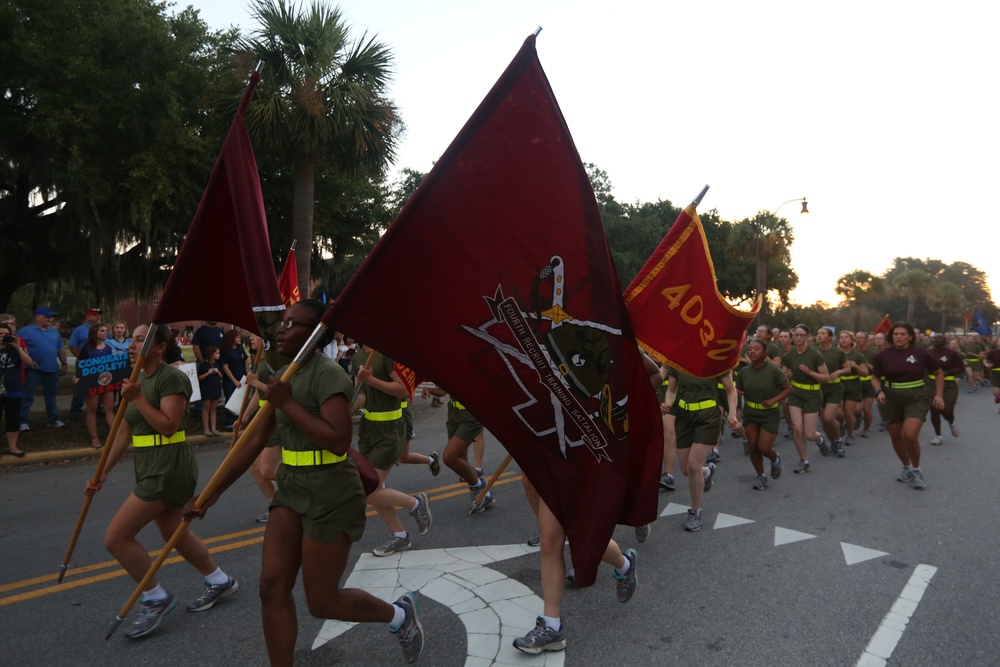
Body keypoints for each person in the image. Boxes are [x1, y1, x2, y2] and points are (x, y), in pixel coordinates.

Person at [184, 300, 425, 665]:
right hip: (293, 485)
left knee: (322, 601)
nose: (281, 328)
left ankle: (400, 615)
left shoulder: (327, 374)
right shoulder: (282, 374)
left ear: (315, 336)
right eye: (283, 321)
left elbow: (338, 439)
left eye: (293, 324)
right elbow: (253, 441)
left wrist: (287, 402)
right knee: (271, 587)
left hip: (332, 489)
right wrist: (209, 495)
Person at [84, 324, 239, 639]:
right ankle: (219, 579)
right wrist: (101, 473)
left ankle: (155, 598)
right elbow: (125, 432)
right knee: (173, 530)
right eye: (132, 339)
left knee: (116, 538)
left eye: (140, 340)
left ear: (160, 347)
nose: (131, 345)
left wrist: (138, 398)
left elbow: (168, 426)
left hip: (169, 465)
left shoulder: (172, 377)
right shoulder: (138, 379)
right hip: (148, 464)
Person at [512, 475, 637, 655]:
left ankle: (625, 565)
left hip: (581, 463)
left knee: (586, 539)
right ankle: (551, 627)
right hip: (553, 464)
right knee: (549, 541)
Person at [353, 345, 433, 556]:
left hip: (390, 429)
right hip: (367, 429)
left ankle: (415, 503)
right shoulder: (358, 356)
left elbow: (404, 390)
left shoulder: (386, 353)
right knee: (376, 488)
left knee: (369, 490)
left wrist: (372, 381)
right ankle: (400, 536)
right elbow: (360, 394)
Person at [662, 367, 738, 531]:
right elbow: (671, 390)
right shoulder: (677, 361)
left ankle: (695, 511)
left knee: (693, 466)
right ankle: (707, 472)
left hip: (708, 417)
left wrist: (732, 413)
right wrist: (668, 402)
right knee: (684, 469)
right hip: (684, 417)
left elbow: (731, 390)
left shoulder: (714, 359)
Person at [871, 322, 943, 490]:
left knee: (909, 435)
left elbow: (938, 373)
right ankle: (906, 467)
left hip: (916, 395)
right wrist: (878, 391)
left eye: (903, 334)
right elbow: (875, 377)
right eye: (896, 334)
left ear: (910, 336)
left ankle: (917, 470)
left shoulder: (922, 354)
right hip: (890, 397)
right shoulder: (883, 355)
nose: (899, 337)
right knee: (895, 436)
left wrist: (938, 395)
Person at [420, 384, 493, 512]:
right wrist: (431, 390)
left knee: (449, 457)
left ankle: (479, 486)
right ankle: (484, 493)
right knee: (460, 460)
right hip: (454, 414)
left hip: (471, 415)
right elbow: (443, 390)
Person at [736, 339, 793, 489]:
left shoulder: (774, 371)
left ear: (765, 353)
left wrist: (773, 399)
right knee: (753, 446)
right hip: (750, 413)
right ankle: (761, 476)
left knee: (764, 447)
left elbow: (788, 389)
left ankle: (775, 459)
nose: (752, 351)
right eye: (750, 349)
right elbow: (737, 388)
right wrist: (736, 393)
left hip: (769, 414)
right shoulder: (744, 372)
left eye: (756, 349)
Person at [780, 324, 831, 473]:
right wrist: (786, 377)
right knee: (797, 429)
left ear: (808, 337)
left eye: (802, 335)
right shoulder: (788, 355)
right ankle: (804, 460)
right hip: (795, 394)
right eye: (796, 335)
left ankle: (819, 439)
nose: (799, 338)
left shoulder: (814, 355)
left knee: (809, 434)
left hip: (812, 394)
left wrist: (810, 372)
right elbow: (782, 376)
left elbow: (826, 378)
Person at [17, 306, 67, 429]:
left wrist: (64, 363)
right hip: (33, 369)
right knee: (27, 395)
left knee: (51, 395)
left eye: (51, 317)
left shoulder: (54, 332)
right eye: (47, 316)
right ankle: (23, 421)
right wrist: (28, 361)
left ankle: (53, 419)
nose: (50, 319)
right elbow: (20, 348)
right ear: (38, 317)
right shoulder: (25, 331)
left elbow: (60, 349)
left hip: (51, 369)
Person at [76, 323, 117, 449]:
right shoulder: (86, 349)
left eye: (106, 331)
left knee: (109, 409)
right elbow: (80, 365)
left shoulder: (109, 349)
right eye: (102, 331)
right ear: (95, 333)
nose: (105, 333)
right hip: (92, 383)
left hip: (107, 382)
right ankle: (94, 437)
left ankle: (115, 435)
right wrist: (78, 378)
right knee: (92, 410)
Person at [0, 322, 34, 457]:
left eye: (6, 334)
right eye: (0, 334)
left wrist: (18, 347)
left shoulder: (15, 349)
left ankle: (13, 447)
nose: (3, 337)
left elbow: (28, 362)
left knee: (13, 418)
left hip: (13, 388)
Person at [815, 326, 849, 457]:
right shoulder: (814, 352)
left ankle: (839, 441)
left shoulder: (838, 352)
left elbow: (847, 369)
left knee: (829, 417)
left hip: (834, 388)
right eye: (818, 333)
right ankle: (833, 442)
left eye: (823, 333)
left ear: (830, 337)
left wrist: (839, 371)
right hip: (819, 389)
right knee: (824, 421)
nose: (819, 335)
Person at [926, 333, 963, 444]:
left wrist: (948, 372)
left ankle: (951, 422)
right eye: (934, 338)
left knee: (947, 411)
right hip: (932, 384)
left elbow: (961, 367)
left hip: (949, 384)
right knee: (935, 410)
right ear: (931, 340)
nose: (937, 340)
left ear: (945, 340)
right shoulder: (927, 353)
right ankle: (938, 436)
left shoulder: (952, 354)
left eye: (940, 338)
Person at [68, 308, 102, 416]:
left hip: (99, 363)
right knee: (81, 386)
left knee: (99, 384)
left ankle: (98, 407)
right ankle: (76, 409)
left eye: (98, 315)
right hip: (84, 363)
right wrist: (81, 358)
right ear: (88, 316)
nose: (97, 317)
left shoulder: (103, 330)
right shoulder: (80, 330)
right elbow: (72, 346)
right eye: (94, 315)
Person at [837, 330, 869, 446]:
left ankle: (849, 435)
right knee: (837, 413)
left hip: (853, 385)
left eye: (846, 337)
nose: (843, 339)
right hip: (838, 385)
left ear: (851, 340)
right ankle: (841, 423)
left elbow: (865, 373)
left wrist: (855, 366)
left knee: (848, 412)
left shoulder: (857, 355)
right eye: (841, 337)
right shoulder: (835, 353)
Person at [219, 329, 249, 431]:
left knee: (241, 401)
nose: (239, 339)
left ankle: (239, 420)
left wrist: (247, 373)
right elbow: (225, 367)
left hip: (242, 378)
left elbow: (245, 361)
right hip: (230, 380)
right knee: (230, 400)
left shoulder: (240, 349)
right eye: (237, 337)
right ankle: (229, 422)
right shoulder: (225, 351)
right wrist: (234, 380)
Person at [197, 346, 224, 436]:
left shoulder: (217, 364)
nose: (218, 355)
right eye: (216, 353)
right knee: (206, 408)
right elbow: (199, 377)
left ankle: (214, 428)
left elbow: (221, 376)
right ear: (211, 354)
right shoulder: (204, 365)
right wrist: (208, 373)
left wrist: (218, 372)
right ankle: (206, 429)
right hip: (207, 388)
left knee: (213, 409)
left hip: (215, 388)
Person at [855, 331, 878, 437]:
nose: (859, 340)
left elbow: (878, 371)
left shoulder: (873, 354)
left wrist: (868, 365)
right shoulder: (852, 352)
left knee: (867, 409)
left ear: (867, 339)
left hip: (869, 383)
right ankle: (859, 418)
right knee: (857, 410)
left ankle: (866, 428)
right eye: (857, 337)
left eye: (861, 338)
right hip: (855, 383)